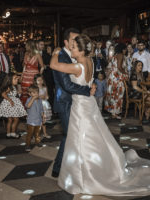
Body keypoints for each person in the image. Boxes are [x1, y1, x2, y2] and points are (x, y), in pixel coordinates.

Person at [50, 34, 150, 196]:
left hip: (81, 106)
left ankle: (84, 175)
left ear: (82, 50)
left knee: (81, 137)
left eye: (74, 48)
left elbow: (53, 65)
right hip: (88, 104)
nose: (72, 49)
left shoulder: (78, 67)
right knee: (93, 135)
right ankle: (95, 166)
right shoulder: (90, 62)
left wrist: (56, 52)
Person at [51, 28, 93, 178]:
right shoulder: (61, 56)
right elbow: (66, 85)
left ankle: (63, 168)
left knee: (71, 136)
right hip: (65, 102)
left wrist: (89, 85)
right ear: (66, 42)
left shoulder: (77, 57)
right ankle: (61, 168)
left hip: (76, 103)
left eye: (78, 40)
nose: (76, 42)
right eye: (73, 40)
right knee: (70, 135)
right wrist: (87, 90)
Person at [0, 73, 27, 138]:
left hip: (11, 104)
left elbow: (13, 95)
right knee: (16, 119)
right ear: (10, 80)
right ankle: (13, 133)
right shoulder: (9, 87)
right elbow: (3, 94)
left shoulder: (13, 86)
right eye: (15, 79)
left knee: (10, 120)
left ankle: (8, 133)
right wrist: (10, 100)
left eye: (17, 78)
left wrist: (18, 94)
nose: (17, 80)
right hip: (11, 104)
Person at [104, 43, 128, 119]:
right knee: (118, 94)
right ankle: (115, 113)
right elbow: (119, 67)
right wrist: (125, 72)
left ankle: (113, 112)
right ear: (122, 49)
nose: (126, 50)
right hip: (117, 78)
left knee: (113, 94)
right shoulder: (121, 55)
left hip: (112, 77)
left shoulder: (115, 55)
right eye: (125, 49)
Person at [21, 40, 45, 105]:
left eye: (26, 45)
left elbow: (42, 66)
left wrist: (39, 76)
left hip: (32, 77)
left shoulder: (37, 54)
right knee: (26, 94)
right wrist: (22, 76)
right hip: (27, 77)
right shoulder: (26, 53)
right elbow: (24, 66)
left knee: (32, 93)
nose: (25, 46)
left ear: (29, 45)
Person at [25, 85, 44, 152]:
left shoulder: (40, 100)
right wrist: (32, 99)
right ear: (29, 94)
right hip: (31, 120)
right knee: (30, 134)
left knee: (37, 133)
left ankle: (37, 142)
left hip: (38, 120)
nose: (36, 94)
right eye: (34, 93)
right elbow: (28, 106)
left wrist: (43, 117)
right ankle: (28, 144)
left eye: (37, 92)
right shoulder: (29, 100)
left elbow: (41, 109)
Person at [34, 74, 52, 139]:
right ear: (35, 81)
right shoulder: (35, 88)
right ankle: (36, 134)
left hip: (44, 105)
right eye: (38, 80)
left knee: (43, 121)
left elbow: (47, 96)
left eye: (41, 80)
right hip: (37, 105)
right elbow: (33, 97)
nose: (40, 81)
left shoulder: (45, 88)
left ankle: (45, 133)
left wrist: (46, 97)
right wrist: (39, 97)